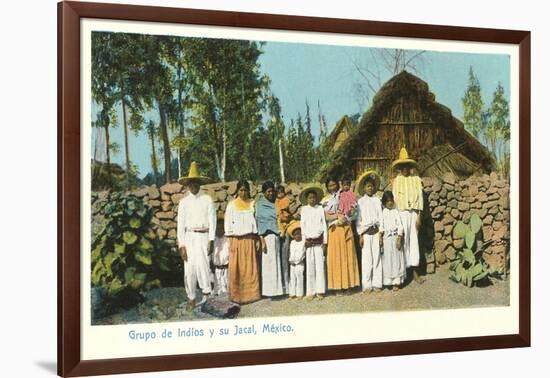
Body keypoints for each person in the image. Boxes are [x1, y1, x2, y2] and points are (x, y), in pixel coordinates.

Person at [176, 161, 216, 311]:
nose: (193, 186)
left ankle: (207, 295)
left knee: (204, 266)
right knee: (189, 269)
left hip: (203, 236)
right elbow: (180, 225)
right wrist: (182, 246)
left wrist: (211, 240)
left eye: (196, 183)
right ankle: (191, 297)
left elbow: (212, 221)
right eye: (190, 183)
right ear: (187, 185)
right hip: (189, 237)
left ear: (199, 183)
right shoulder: (183, 202)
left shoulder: (207, 199)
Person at [391, 146, 425, 284]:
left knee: (414, 242)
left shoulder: (416, 179)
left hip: (413, 213)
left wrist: (419, 216)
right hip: (401, 213)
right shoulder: (396, 180)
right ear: (399, 168)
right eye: (402, 167)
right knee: (403, 241)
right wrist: (397, 219)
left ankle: (415, 271)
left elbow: (420, 198)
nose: (404, 169)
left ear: (410, 167)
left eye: (407, 166)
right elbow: (393, 200)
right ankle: (404, 273)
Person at [224, 180, 261, 304]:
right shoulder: (232, 205)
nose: (243, 193)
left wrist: (256, 238)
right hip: (236, 240)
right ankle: (237, 296)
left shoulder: (252, 204)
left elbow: (256, 222)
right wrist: (230, 240)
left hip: (249, 239)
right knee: (236, 269)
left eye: (245, 190)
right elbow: (227, 223)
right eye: (241, 190)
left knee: (250, 268)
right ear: (237, 191)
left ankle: (251, 295)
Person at [322, 177, 360, 296]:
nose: (332, 187)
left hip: (346, 227)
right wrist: (337, 217)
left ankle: (349, 285)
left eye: (334, 184)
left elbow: (354, 211)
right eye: (330, 185)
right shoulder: (325, 200)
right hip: (334, 230)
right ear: (327, 187)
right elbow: (325, 216)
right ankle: (337, 286)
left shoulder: (345, 194)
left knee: (347, 256)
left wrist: (346, 218)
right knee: (336, 258)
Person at [255, 180, 284, 298]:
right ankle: (268, 291)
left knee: (276, 262)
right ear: (263, 192)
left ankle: (277, 290)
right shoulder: (260, 205)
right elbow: (259, 223)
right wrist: (262, 241)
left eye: (272, 191)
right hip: (266, 237)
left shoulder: (276, 204)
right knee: (268, 265)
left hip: (276, 236)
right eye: (268, 191)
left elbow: (279, 219)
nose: (271, 194)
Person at [356, 170, 383, 293]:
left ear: (374, 187)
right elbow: (359, 220)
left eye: (372, 186)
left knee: (376, 257)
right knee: (367, 259)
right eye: (368, 186)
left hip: (376, 231)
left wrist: (381, 232)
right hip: (366, 232)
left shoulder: (378, 200)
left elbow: (381, 217)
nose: (370, 188)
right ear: (364, 188)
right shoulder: (360, 202)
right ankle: (367, 285)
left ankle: (377, 283)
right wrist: (361, 234)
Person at [299, 185, 328, 300]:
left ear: (317, 198)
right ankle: (310, 291)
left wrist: (325, 242)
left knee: (320, 266)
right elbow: (302, 226)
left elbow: (324, 226)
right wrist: (304, 241)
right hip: (309, 241)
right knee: (310, 266)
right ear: (307, 199)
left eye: (314, 198)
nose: (312, 199)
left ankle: (320, 290)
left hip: (319, 241)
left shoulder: (320, 209)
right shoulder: (304, 210)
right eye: (310, 198)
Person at [380, 191, 406, 290]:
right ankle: (388, 281)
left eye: (391, 200)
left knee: (396, 259)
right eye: (387, 201)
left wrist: (399, 237)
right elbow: (381, 226)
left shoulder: (396, 212)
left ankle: (396, 281)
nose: (390, 203)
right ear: (384, 202)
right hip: (386, 238)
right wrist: (381, 237)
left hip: (395, 237)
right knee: (387, 259)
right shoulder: (383, 212)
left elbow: (400, 225)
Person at [275, 184, 291, 294]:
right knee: (278, 258)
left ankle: (287, 282)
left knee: (285, 257)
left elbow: (285, 216)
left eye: (281, 191)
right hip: (277, 230)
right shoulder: (275, 202)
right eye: (278, 192)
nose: (280, 193)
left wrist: (284, 229)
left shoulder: (285, 201)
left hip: (284, 231)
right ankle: (281, 283)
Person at [286, 220, 305, 299]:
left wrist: (297, 261)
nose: (297, 236)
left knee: (299, 278)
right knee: (292, 278)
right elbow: (291, 252)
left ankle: (299, 294)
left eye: (299, 234)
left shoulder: (303, 242)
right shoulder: (292, 242)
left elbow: (302, 253)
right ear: (293, 236)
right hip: (292, 263)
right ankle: (292, 293)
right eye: (295, 234)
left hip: (299, 263)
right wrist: (291, 260)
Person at [212, 210, 229, 296]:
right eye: (217, 228)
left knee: (226, 287)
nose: (219, 230)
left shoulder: (227, 240)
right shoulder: (213, 240)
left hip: (226, 269)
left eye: (221, 228)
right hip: (217, 268)